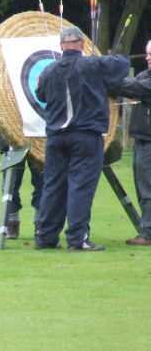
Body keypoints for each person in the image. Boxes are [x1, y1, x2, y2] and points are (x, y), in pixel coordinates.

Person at [34, 26, 130, 251]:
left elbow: (40, 94)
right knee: (81, 186)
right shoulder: (93, 64)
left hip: (56, 138)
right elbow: (123, 64)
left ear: (61, 47)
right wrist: (99, 60)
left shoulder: (48, 71)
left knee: (53, 186)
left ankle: (46, 238)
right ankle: (78, 239)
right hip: (85, 137)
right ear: (81, 45)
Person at [0, 80, 43, 239]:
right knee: (9, 185)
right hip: (9, 139)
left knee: (42, 182)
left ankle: (41, 222)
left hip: (38, 137)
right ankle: (12, 222)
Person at [109, 39, 151, 245]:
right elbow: (129, 82)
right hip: (142, 138)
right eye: (147, 54)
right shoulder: (146, 74)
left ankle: (149, 233)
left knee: (148, 186)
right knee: (140, 184)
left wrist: (104, 77)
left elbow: (132, 86)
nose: (148, 58)